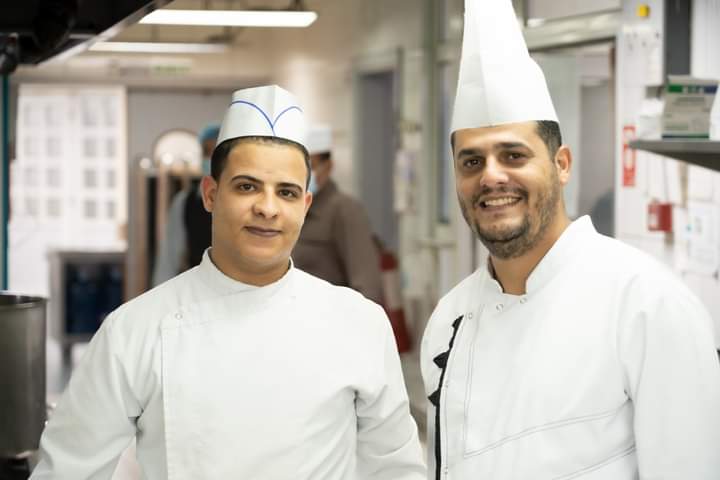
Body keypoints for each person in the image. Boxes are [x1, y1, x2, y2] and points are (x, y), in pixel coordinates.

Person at [31, 85, 425, 479]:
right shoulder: (135, 330)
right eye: (247, 186)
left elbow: (395, 470)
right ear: (210, 194)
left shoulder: (360, 324)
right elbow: (67, 470)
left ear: (305, 206)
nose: (267, 208)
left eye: (286, 192)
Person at [420, 1, 720, 479]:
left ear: (561, 164)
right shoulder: (449, 319)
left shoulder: (647, 305)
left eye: (513, 155)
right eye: (471, 162)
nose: (491, 177)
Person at [292, 125, 384, 304]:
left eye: (310, 166)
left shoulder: (345, 210)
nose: (302, 174)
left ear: (328, 166)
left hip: (329, 317)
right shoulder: (291, 209)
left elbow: (367, 285)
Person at [151, 124, 219, 286]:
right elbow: (169, 259)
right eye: (206, 152)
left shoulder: (247, 203)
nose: (210, 158)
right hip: (197, 289)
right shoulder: (185, 202)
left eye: (216, 152)